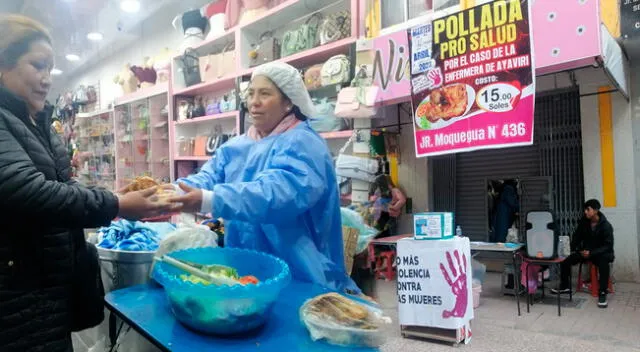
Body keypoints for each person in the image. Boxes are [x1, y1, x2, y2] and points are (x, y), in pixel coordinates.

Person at [0, 15, 171, 352]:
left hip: (46, 288)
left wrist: (112, 196)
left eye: (51, 68)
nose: (47, 79)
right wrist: (116, 205)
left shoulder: (35, 121)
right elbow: (26, 190)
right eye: (37, 66)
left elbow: (62, 186)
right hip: (18, 292)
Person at [166, 61, 359, 293]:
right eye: (251, 94)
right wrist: (172, 193)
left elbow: (277, 194)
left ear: (288, 102)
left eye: (265, 94)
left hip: (300, 273)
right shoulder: (236, 147)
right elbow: (208, 176)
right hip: (246, 269)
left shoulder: (304, 143)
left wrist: (210, 199)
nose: (254, 102)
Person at [551, 199, 614, 308]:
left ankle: (602, 293)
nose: (585, 212)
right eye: (585, 209)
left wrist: (592, 252)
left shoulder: (606, 226)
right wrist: (570, 250)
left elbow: (608, 246)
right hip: (585, 252)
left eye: (588, 209)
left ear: (595, 210)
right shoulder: (584, 222)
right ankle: (565, 286)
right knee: (565, 259)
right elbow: (577, 237)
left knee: (604, 264)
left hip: (600, 254)